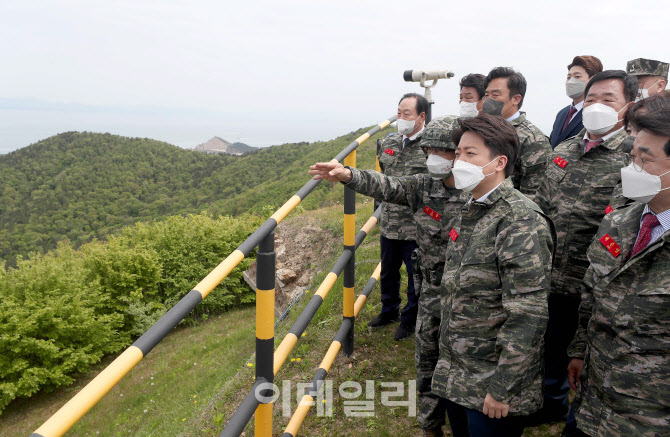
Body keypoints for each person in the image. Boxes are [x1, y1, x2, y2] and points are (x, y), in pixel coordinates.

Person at [309, 121, 468, 437]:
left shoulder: (476, 190)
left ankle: (466, 423)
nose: (435, 156)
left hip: (470, 297)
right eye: (430, 151)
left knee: (464, 366)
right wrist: (346, 174)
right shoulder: (423, 186)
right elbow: (385, 185)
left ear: (459, 154)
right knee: (427, 363)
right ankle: (430, 427)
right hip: (433, 293)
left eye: (444, 151)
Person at [431, 114, 554, 437]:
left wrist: (502, 388)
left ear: (499, 162)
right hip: (459, 373)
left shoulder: (520, 220)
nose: (459, 161)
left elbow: (528, 315)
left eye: (470, 154)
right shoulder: (472, 208)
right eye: (458, 153)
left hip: (492, 383)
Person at [533, 70, 638, 427]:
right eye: (591, 99)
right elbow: (541, 205)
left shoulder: (631, 157)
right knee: (547, 343)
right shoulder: (564, 148)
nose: (597, 106)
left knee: (580, 349)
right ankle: (548, 403)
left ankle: (570, 409)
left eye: (609, 99)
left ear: (629, 106)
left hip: (590, 279)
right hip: (547, 271)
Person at [565, 94, 670, 437]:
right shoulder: (621, 222)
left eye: (645, 158)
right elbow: (592, 295)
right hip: (594, 402)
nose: (631, 166)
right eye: (632, 155)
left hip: (648, 419)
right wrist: (580, 351)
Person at [368, 93, 428, 340]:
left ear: (421, 116)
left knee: (416, 277)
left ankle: (409, 320)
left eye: (407, 114)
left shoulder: (431, 147)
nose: (401, 118)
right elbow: (382, 178)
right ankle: (389, 310)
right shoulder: (389, 143)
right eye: (399, 113)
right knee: (388, 272)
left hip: (416, 227)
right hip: (390, 223)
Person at [483, 67, 551, 201]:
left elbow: (534, 194)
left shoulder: (532, 139)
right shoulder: (481, 130)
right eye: (486, 95)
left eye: (495, 95)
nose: (488, 100)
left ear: (515, 99)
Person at [550, 56, 604, 148]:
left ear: (593, 79)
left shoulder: (598, 113)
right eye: (569, 77)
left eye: (577, 76)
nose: (571, 81)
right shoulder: (562, 113)